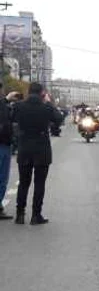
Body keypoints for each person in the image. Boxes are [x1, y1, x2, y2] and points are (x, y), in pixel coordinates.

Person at [12, 82, 64, 225]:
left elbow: (11, 119)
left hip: (24, 147)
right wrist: (49, 103)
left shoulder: (18, 106)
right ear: (42, 93)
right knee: (39, 183)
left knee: (23, 183)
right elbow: (59, 119)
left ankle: (20, 214)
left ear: (28, 92)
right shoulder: (46, 107)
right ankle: (36, 215)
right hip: (41, 149)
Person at [0, 83, 17, 220]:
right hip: (2, 145)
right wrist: (6, 100)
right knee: (2, 179)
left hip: (5, 144)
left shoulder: (4, 105)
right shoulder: (2, 105)